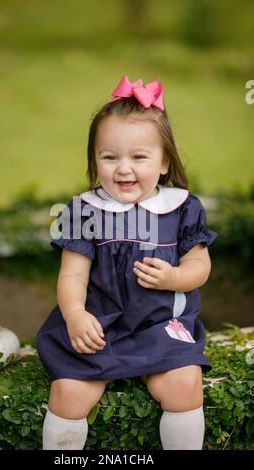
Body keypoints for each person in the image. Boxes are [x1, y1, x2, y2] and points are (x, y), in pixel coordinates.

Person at [36, 75, 218, 450]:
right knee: (68, 393)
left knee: (184, 384)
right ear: (95, 159)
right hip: (99, 328)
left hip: (160, 325)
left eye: (139, 157)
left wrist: (174, 277)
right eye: (109, 157)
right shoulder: (87, 210)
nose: (123, 169)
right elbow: (72, 272)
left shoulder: (181, 208)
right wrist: (74, 315)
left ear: (164, 161)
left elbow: (200, 265)